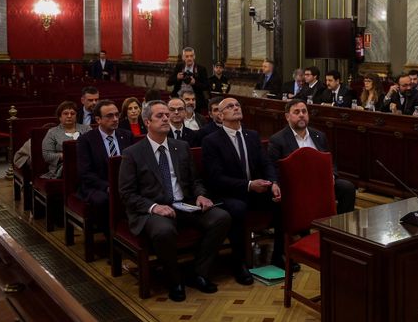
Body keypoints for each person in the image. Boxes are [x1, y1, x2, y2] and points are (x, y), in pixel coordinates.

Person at [118, 101, 231, 302]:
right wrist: (154, 207)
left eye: (166, 115)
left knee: (221, 217)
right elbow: (127, 193)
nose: (165, 118)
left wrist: (200, 195)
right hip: (152, 210)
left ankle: (198, 272)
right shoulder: (133, 153)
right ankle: (174, 280)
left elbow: (194, 180)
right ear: (147, 122)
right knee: (164, 230)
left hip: (183, 204)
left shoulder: (181, 146)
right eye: (159, 116)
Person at [201, 97, 283, 281]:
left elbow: (266, 163)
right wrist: (248, 185)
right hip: (227, 193)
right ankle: (240, 263)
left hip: (254, 190)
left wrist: (274, 182)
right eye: (230, 106)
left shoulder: (251, 135)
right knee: (238, 208)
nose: (235, 108)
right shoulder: (211, 141)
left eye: (237, 105)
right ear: (220, 116)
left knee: (280, 200)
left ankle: (279, 255)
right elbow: (216, 178)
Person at [268, 99, 356, 216]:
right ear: (287, 116)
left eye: (304, 112)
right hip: (297, 186)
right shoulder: (278, 139)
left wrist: (332, 175)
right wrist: (276, 183)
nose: (301, 115)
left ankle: (337, 226)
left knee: (348, 188)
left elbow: (330, 160)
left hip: (321, 182)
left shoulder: (319, 135)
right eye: (297, 112)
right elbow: (273, 167)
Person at [76, 99, 134, 233]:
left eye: (116, 115)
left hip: (124, 183)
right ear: (98, 119)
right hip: (97, 186)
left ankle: (130, 232)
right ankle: (110, 236)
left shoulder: (126, 135)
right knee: (103, 200)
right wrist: (108, 187)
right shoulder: (86, 140)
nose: (115, 119)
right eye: (109, 116)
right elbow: (85, 173)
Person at [41, 101, 92, 178]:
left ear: (76, 116)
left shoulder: (87, 129)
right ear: (60, 117)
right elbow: (47, 155)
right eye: (65, 113)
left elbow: (94, 147)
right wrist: (64, 156)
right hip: (63, 167)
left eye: (72, 113)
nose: (69, 116)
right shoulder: (52, 132)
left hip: (86, 163)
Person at [168, 47, 209, 111]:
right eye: (187, 56)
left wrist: (195, 83)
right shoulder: (179, 66)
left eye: (191, 56)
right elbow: (168, 83)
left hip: (195, 100)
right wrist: (177, 78)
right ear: (183, 58)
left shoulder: (201, 69)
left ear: (194, 57)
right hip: (179, 98)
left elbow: (206, 86)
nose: (189, 58)